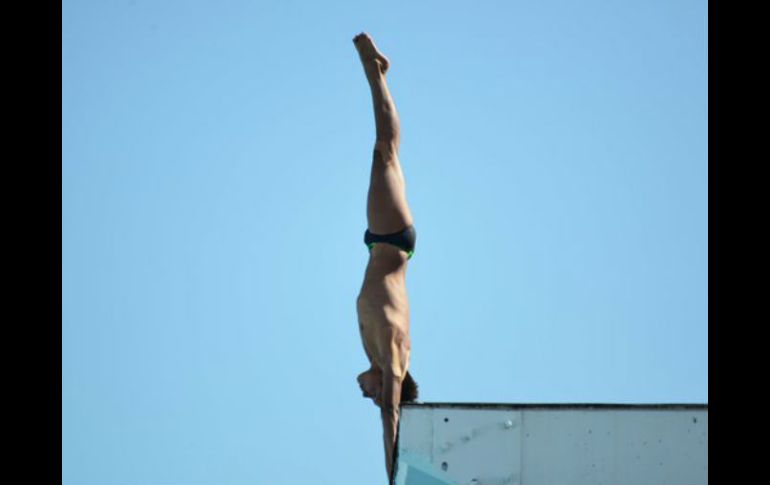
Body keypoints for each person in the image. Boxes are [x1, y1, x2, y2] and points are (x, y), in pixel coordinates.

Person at [353, 32, 419, 483]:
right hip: (392, 238)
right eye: (373, 396)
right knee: (385, 152)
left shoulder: (376, 355)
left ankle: (376, 74)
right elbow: (391, 420)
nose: (366, 393)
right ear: (385, 393)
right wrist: (393, 474)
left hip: (380, 242)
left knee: (383, 156)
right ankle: (376, 73)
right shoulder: (394, 361)